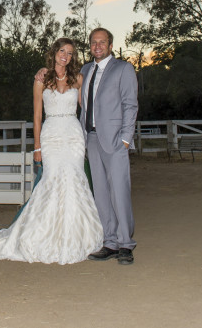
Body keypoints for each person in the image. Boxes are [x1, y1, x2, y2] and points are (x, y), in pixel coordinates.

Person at [0, 38, 103, 264]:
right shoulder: (41, 79)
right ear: (54, 52)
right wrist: (37, 147)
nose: (66, 56)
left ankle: (78, 236)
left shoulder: (78, 78)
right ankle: (44, 234)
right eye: (62, 51)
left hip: (72, 135)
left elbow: (87, 109)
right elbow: (37, 117)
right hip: (51, 135)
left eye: (70, 53)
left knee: (75, 180)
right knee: (51, 181)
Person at [80, 27, 139, 265]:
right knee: (101, 193)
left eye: (102, 42)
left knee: (119, 192)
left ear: (110, 45)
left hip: (115, 140)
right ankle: (110, 242)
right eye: (94, 42)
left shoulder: (123, 69)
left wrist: (126, 138)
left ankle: (126, 243)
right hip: (92, 139)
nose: (97, 46)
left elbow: (130, 105)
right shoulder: (85, 70)